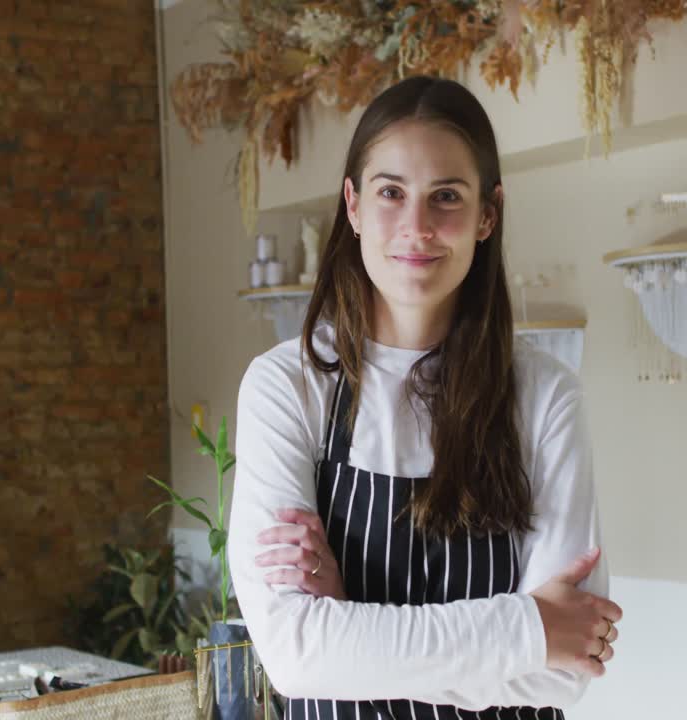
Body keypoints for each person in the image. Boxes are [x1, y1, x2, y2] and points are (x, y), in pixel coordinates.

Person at [228, 75, 620, 719]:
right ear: (352, 206)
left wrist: (349, 624)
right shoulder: (286, 387)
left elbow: (559, 676)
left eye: (446, 196)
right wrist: (528, 632)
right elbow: (295, 657)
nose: (417, 226)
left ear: (488, 213)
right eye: (390, 192)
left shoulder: (546, 398)